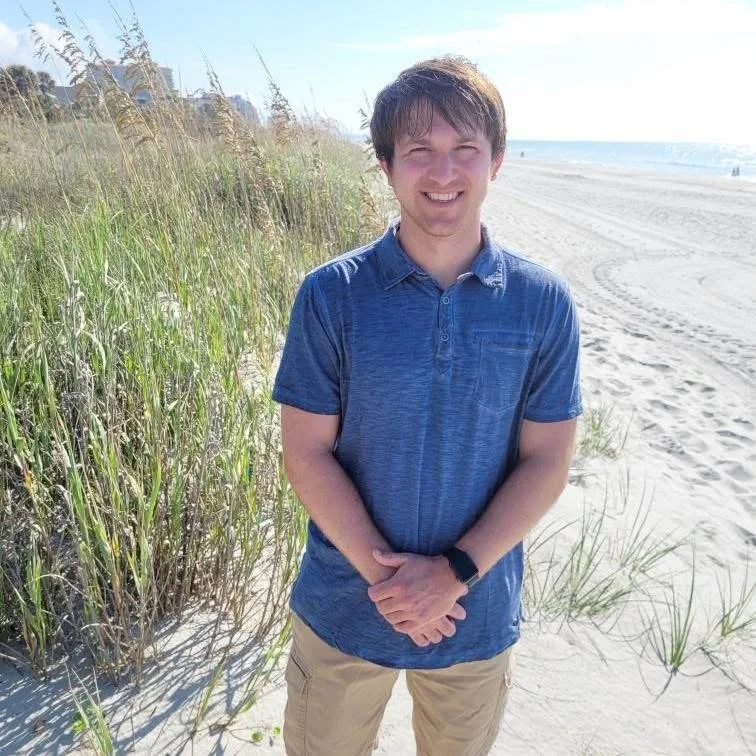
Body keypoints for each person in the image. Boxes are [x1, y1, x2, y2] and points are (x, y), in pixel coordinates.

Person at [273, 55, 582, 755]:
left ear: (495, 160)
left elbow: (547, 461)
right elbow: (306, 452)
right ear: (386, 165)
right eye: (419, 150)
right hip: (344, 608)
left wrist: (450, 576)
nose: (443, 172)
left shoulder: (542, 303)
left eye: (465, 148)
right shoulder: (331, 295)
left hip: (472, 614)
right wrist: (396, 587)